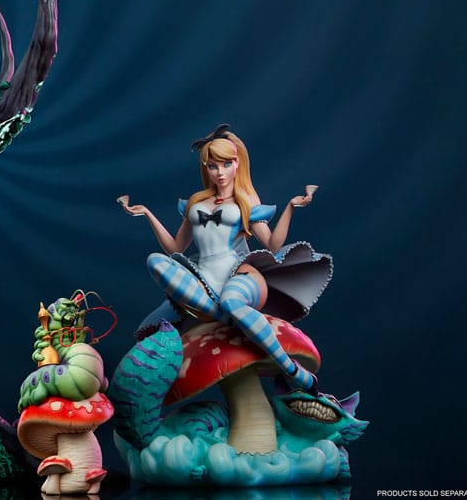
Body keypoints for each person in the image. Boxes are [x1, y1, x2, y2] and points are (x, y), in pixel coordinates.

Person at [121, 124, 332, 392]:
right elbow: (175, 248)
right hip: (205, 283)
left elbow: (272, 244)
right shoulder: (196, 203)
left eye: (226, 164)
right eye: (213, 166)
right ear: (205, 168)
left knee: (231, 301)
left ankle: (291, 369)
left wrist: (290, 207)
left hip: (241, 274)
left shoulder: (245, 201)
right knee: (155, 261)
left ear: (237, 164)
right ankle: (220, 313)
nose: (220, 173)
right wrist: (148, 214)